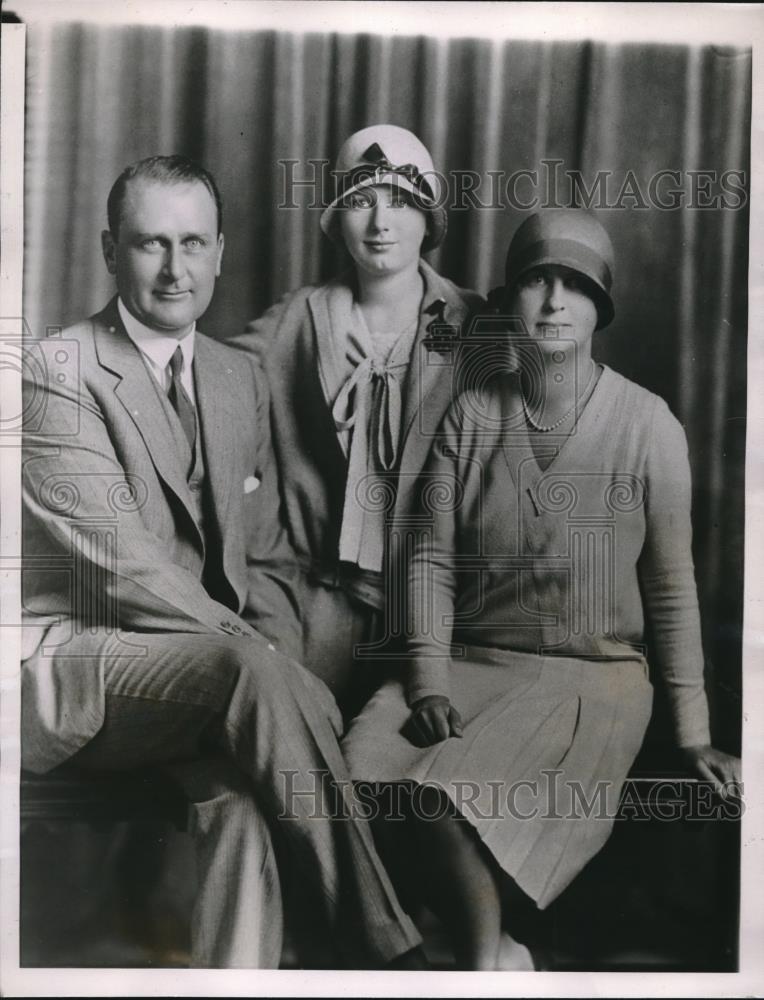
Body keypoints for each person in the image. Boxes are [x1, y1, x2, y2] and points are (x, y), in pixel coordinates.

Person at [20, 154, 424, 969]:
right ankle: (384, 949)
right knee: (256, 676)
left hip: (211, 675)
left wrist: (268, 648)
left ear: (221, 252)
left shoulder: (237, 377)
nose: (176, 270)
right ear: (108, 251)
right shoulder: (54, 370)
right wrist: (265, 656)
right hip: (81, 664)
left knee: (242, 803)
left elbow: (265, 555)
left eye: (194, 244)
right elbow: (121, 567)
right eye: (151, 245)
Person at [342, 208, 741, 969]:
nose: (554, 301)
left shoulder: (649, 426)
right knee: (357, 770)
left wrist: (693, 735)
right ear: (511, 298)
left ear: (601, 307)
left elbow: (672, 589)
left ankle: (482, 961)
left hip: (591, 682)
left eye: (575, 285)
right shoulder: (471, 413)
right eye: (536, 279)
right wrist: (427, 684)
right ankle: (490, 948)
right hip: (469, 664)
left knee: (441, 792)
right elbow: (427, 559)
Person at [228, 124, 483, 716]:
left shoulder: (475, 324)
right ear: (337, 218)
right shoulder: (300, 316)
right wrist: (248, 496)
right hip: (308, 598)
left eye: (400, 201)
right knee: (283, 738)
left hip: (436, 613)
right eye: (360, 201)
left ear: (429, 217)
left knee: (397, 772)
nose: (380, 222)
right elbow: (211, 380)